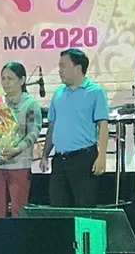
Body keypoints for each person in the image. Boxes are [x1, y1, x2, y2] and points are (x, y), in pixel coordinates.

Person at [39, 49, 110, 208]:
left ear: (78, 68)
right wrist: (45, 154)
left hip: (84, 159)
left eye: (63, 66)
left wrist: (102, 157)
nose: (59, 70)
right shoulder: (58, 93)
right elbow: (52, 126)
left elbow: (103, 126)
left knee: (84, 208)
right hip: (59, 160)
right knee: (58, 208)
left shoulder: (95, 92)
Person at [0, 62, 43, 218]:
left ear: (22, 80)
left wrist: (17, 149)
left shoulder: (30, 104)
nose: (5, 83)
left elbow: (34, 132)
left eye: (10, 78)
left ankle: (19, 235)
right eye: (3, 78)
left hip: (19, 165)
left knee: (19, 211)